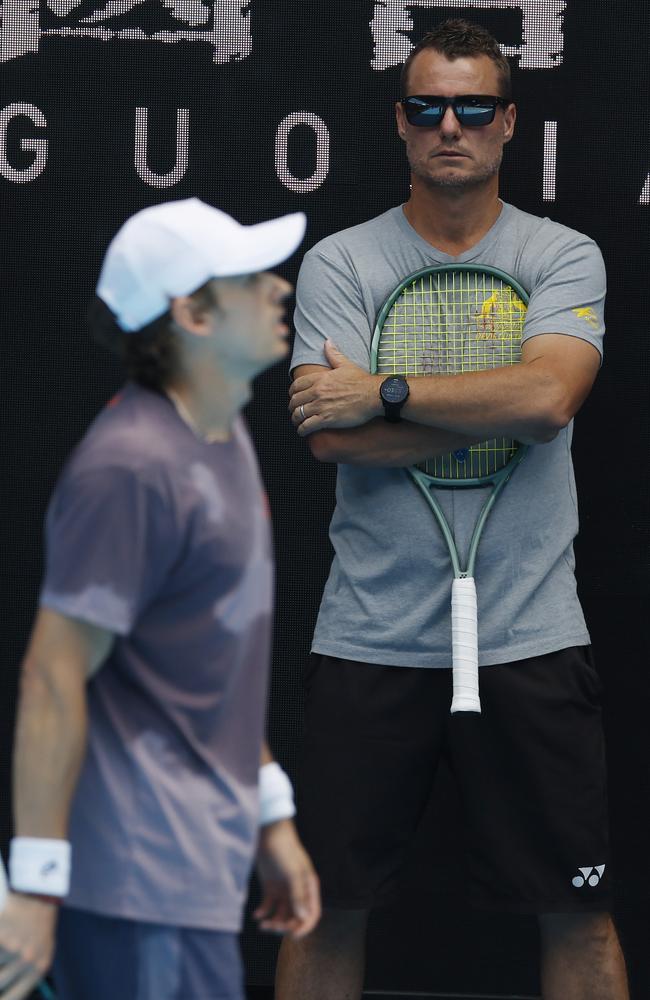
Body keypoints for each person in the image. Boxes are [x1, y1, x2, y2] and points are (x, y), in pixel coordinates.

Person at [277, 19, 628, 1000]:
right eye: (426, 106)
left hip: (530, 635)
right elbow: (328, 435)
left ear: (506, 122)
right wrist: (498, 400)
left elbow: (550, 398)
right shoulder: (341, 264)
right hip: (369, 637)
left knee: (573, 907)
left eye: (472, 108)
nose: (449, 127)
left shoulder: (563, 256)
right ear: (399, 121)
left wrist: (384, 391)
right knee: (325, 906)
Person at [0, 198, 321, 1000]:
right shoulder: (130, 468)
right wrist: (36, 889)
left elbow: (204, 660)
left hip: (193, 873)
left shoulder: (224, 433)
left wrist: (269, 818)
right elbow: (51, 674)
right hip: (134, 884)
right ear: (192, 313)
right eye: (251, 279)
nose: (279, 289)